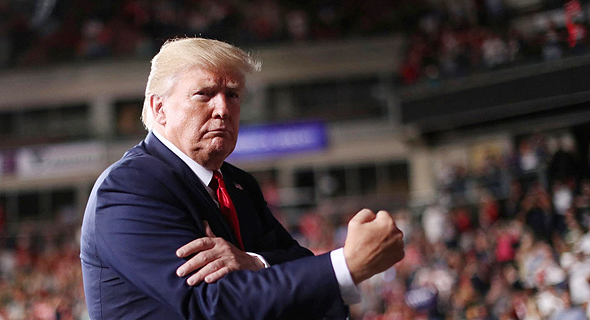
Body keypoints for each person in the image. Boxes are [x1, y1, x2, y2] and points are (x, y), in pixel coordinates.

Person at [80, 37, 405, 319]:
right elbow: (216, 305)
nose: (223, 108)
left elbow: (296, 261)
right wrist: (345, 265)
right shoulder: (129, 188)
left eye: (232, 94)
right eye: (204, 94)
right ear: (160, 109)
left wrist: (254, 261)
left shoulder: (238, 184)